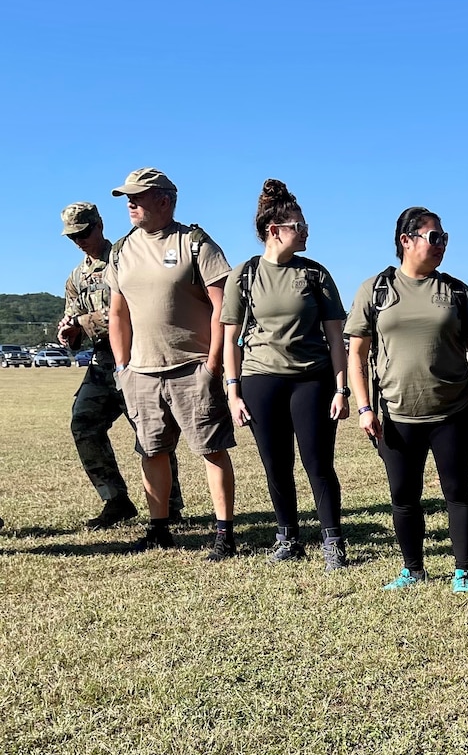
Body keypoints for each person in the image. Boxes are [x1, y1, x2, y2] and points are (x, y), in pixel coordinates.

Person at [345, 206, 468, 591]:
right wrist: (363, 408)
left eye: (444, 237)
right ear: (406, 240)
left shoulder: (456, 291)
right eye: (434, 237)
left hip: (453, 411)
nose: (442, 244)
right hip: (396, 414)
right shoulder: (375, 289)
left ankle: (463, 569)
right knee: (402, 495)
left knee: (457, 491)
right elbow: (356, 355)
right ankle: (412, 569)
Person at [105, 168, 236, 558]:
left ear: (164, 200)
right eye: (127, 197)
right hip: (141, 372)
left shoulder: (195, 243)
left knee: (211, 449)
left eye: (138, 196)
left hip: (192, 367)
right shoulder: (121, 249)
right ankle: (159, 528)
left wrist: (212, 365)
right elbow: (117, 314)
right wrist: (122, 367)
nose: (130, 204)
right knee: (151, 450)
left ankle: (224, 533)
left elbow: (223, 308)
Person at [221, 180, 351, 571]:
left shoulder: (315, 275)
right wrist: (233, 392)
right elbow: (231, 340)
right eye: (299, 224)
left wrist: (341, 389)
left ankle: (333, 541)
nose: (306, 230)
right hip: (262, 379)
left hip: (312, 379)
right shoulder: (243, 275)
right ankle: (287, 536)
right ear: (274, 231)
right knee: (275, 464)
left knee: (317, 463)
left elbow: (336, 339)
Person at [58, 201, 184, 529]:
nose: (79, 240)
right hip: (103, 364)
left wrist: (83, 323)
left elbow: (137, 309)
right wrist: (69, 333)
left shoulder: (126, 258)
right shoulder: (75, 277)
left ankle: (169, 506)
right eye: (72, 236)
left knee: (152, 434)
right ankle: (115, 500)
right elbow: (75, 327)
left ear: (100, 225)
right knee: (83, 424)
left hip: (138, 358)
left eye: (84, 232)